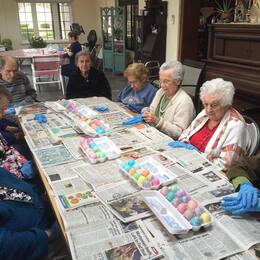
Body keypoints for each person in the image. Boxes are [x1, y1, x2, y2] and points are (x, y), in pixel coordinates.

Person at [177, 78, 248, 170]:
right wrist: (186, 148)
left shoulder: (236, 126)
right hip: (186, 161)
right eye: (206, 104)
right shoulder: (204, 114)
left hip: (207, 170)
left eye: (214, 105)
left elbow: (226, 164)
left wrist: (196, 156)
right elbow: (185, 135)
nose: (208, 110)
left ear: (226, 104)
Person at [0, 166, 62, 260]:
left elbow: (15, 186)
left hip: (40, 203)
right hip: (38, 242)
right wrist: (49, 234)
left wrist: (38, 190)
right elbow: (5, 247)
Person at [143, 60, 195, 139]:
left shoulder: (185, 102)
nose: (162, 85)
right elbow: (152, 110)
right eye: (160, 81)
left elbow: (180, 132)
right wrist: (146, 111)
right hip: (153, 135)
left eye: (166, 81)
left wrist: (158, 121)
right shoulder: (160, 92)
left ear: (177, 81)